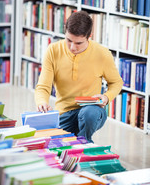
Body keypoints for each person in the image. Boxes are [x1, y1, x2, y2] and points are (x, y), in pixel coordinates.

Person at [35, 11, 123, 143]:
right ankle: (79, 141)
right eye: (69, 40)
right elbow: (43, 86)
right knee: (51, 144)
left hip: (91, 110)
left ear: (89, 36)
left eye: (78, 43)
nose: (72, 47)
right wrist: (42, 102)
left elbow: (116, 82)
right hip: (64, 113)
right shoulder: (53, 50)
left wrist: (106, 97)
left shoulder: (102, 54)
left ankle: (84, 143)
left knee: (88, 114)